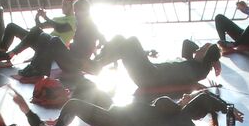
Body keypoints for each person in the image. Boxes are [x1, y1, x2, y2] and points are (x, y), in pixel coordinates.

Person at [51, 90, 241, 126]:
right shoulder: (174, 112)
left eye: (187, 98)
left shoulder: (177, 115)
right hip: (117, 115)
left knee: (74, 104)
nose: (184, 97)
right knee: (91, 93)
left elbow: (205, 99)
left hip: (116, 123)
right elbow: (204, 100)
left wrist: (228, 109)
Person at [89, 35, 222, 91]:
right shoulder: (192, 62)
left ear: (206, 57)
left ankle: (98, 65)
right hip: (148, 71)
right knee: (120, 38)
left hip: (148, 77)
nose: (198, 48)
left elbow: (205, 60)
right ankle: (97, 62)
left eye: (202, 49)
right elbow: (187, 43)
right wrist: (212, 59)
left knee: (130, 42)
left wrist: (214, 60)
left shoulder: (197, 71)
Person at [19, 0, 104, 78]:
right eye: (74, 12)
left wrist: (97, 57)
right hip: (71, 59)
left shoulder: (91, 26)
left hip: (75, 65)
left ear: (84, 11)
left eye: (76, 11)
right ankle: (34, 67)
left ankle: (41, 71)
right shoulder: (81, 24)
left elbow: (101, 40)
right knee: (44, 36)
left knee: (55, 40)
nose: (75, 14)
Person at [0, 0, 78, 61]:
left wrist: (46, 17)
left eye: (65, 5)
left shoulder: (74, 20)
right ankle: (2, 52)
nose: (62, 6)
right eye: (62, 4)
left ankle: (10, 55)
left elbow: (61, 28)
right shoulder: (58, 18)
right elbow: (40, 26)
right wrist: (38, 16)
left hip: (53, 49)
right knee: (11, 26)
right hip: (43, 44)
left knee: (36, 31)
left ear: (73, 7)